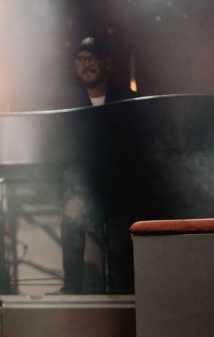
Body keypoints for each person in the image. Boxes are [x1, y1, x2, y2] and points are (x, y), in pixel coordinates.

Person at [58, 36, 135, 294]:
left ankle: (129, 288)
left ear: (106, 62)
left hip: (119, 188)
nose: (86, 65)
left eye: (91, 58)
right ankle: (72, 288)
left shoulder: (127, 100)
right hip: (83, 188)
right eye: (80, 59)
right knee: (71, 209)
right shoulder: (65, 104)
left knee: (127, 223)